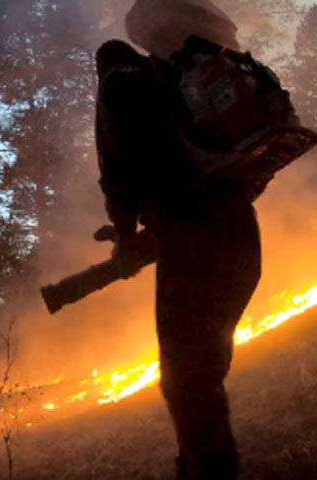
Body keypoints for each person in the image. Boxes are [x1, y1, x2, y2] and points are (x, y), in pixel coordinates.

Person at [94, 36, 262, 480]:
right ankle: (196, 466)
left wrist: (127, 237)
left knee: (187, 380)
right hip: (241, 229)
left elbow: (116, 173)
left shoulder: (116, 84)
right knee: (202, 369)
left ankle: (208, 470)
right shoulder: (176, 82)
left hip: (192, 245)